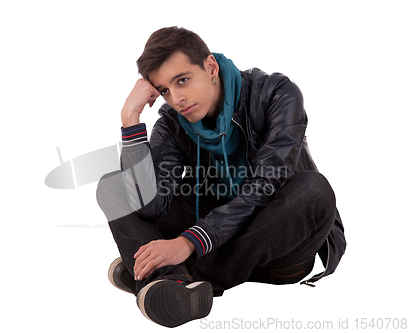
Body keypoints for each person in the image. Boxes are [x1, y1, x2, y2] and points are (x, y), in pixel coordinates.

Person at [96, 26, 346, 328]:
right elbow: (151, 206)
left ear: (211, 67)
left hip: (278, 248)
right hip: (213, 234)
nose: (176, 99)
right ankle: (173, 285)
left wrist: (188, 244)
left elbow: (264, 186)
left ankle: (167, 275)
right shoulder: (173, 123)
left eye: (182, 80)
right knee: (114, 186)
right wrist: (130, 120)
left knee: (314, 191)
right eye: (164, 90)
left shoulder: (276, 94)